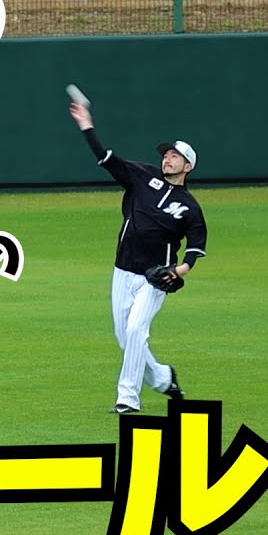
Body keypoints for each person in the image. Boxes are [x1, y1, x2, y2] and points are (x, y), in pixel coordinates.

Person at [68, 98, 208, 414]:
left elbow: (196, 245)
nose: (168, 159)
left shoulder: (189, 207)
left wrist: (180, 270)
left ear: (188, 167)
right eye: (167, 155)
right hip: (122, 270)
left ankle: (127, 398)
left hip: (154, 278)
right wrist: (86, 125)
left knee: (135, 332)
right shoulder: (142, 175)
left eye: (176, 156)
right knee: (126, 339)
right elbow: (106, 159)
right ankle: (163, 377)